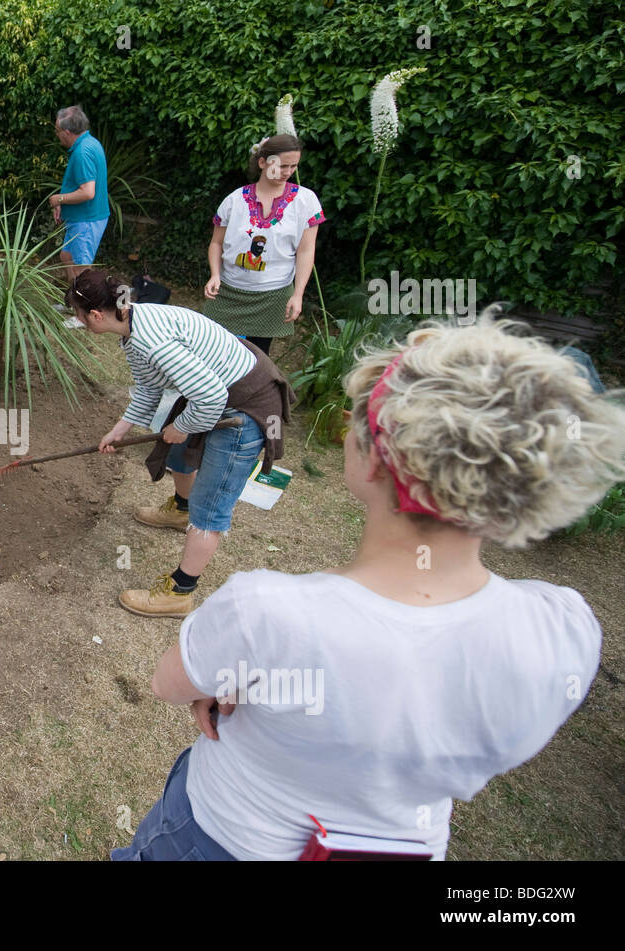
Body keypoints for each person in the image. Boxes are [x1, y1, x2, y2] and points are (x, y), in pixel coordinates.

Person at [113, 320, 623, 860]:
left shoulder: (266, 612)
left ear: (376, 458)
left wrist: (244, 676)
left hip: (222, 838)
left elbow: (170, 684)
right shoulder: (565, 626)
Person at [68, 268, 293, 618]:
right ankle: (180, 509)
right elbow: (148, 387)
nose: (81, 324)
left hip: (246, 405)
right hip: (217, 394)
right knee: (177, 454)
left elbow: (211, 396)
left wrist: (183, 427)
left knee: (212, 503)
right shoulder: (133, 326)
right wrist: (120, 429)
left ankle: (180, 591)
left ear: (96, 315)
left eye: (81, 318)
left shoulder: (153, 341)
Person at [202, 133, 324, 356]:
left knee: (257, 358)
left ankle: (247, 392)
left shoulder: (306, 202)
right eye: (281, 165)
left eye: (293, 166)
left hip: (274, 295)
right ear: (262, 162)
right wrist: (215, 275)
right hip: (228, 291)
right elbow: (216, 243)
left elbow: (306, 251)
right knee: (212, 352)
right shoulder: (234, 200)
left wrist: (298, 294)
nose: (287, 172)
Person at [49, 105, 109, 286]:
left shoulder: (83, 152)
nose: (56, 134)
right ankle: (74, 302)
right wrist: (63, 203)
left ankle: (83, 311)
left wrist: (58, 199)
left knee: (82, 270)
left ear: (67, 132)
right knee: (66, 256)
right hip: (82, 218)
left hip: (86, 221)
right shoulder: (89, 143)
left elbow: (88, 192)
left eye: (57, 130)